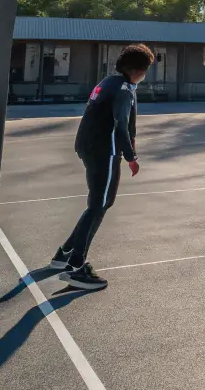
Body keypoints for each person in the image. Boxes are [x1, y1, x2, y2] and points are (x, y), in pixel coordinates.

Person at [50, 43, 153, 290]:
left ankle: (64, 253)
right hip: (104, 151)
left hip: (87, 146)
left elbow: (125, 123)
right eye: (146, 69)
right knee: (100, 204)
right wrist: (131, 156)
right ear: (139, 69)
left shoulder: (109, 81)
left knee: (97, 202)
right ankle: (76, 267)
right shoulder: (124, 90)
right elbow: (120, 125)